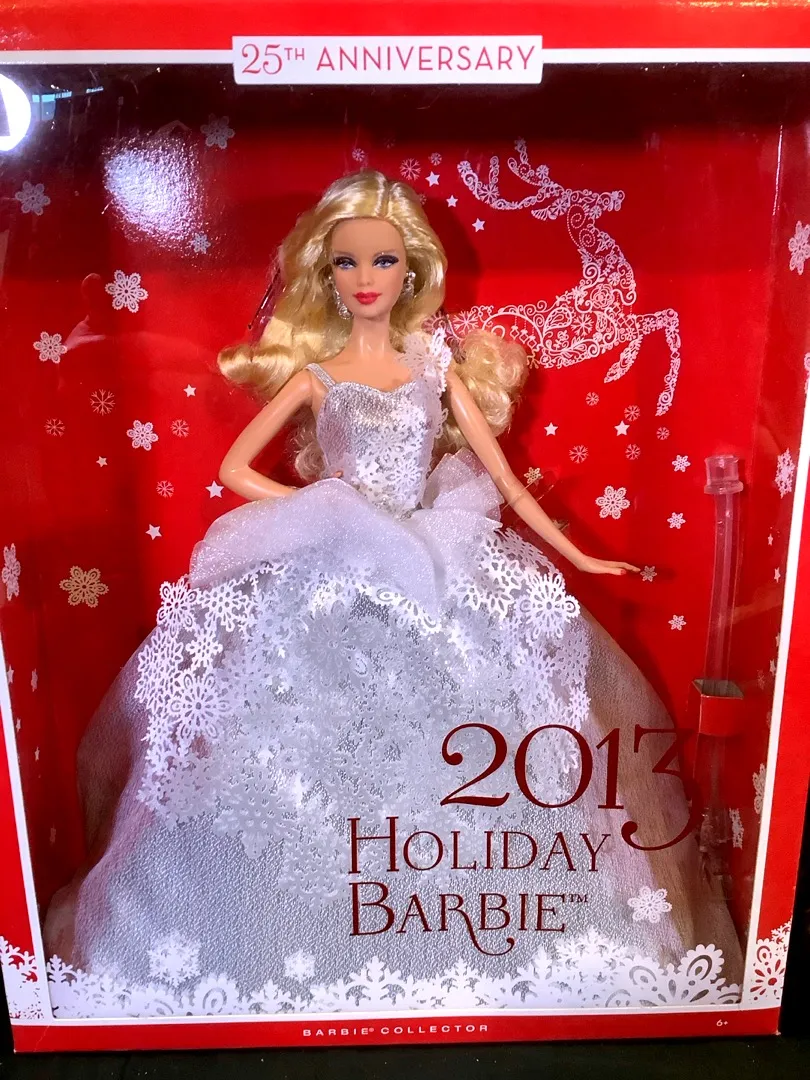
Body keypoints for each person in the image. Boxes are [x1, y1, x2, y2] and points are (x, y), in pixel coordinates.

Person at [43, 170, 741, 1016]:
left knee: (497, 724)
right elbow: (235, 469)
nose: (365, 277)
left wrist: (579, 559)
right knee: (280, 739)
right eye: (347, 262)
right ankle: (271, 932)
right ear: (326, 273)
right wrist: (323, 510)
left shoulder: (434, 368)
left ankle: (497, 931)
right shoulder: (317, 376)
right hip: (333, 566)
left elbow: (506, 483)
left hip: (438, 558)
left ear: (411, 271)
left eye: (382, 260)